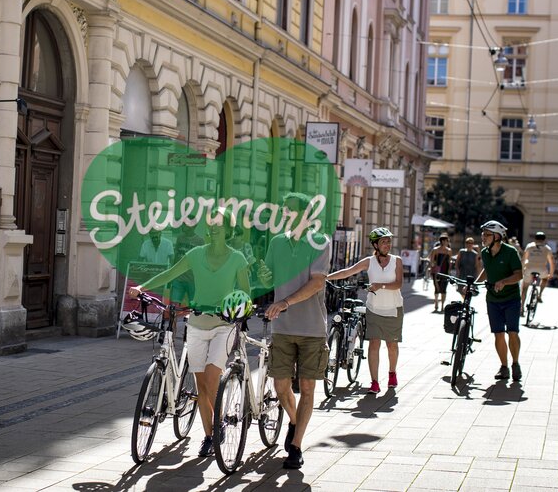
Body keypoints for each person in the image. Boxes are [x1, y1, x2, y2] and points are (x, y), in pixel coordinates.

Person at [128, 208, 250, 458]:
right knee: (201, 386)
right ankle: (210, 434)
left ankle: (215, 428)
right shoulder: (196, 254)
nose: (213, 227)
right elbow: (170, 273)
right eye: (211, 223)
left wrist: (236, 309)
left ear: (227, 228)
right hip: (195, 325)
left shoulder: (237, 258)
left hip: (222, 327)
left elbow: (245, 294)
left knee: (212, 380)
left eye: (218, 224)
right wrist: (142, 286)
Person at [258, 192, 330, 470]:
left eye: (289, 210)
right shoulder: (276, 242)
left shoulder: (320, 242)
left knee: (309, 388)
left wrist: (285, 301)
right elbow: (268, 276)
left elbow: (317, 283)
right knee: (280, 385)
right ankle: (294, 420)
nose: (285, 214)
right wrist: (261, 277)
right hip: (283, 327)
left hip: (312, 328)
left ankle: (296, 447)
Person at [326, 227, 404, 394]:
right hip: (374, 309)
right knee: (374, 344)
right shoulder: (369, 261)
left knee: (392, 345)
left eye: (389, 241)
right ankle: (374, 382)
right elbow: (348, 271)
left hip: (393, 309)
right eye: (384, 241)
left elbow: (398, 284)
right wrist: (326, 277)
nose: (387, 244)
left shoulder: (396, 260)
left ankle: (392, 372)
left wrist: (380, 286)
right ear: (375, 244)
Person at [476, 220, 524, 382]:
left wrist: (504, 282)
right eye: (483, 234)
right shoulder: (484, 252)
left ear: (497, 236)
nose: (483, 237)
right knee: (498, 334)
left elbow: (519, 275)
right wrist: (474, 283)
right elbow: (487, 270)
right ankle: (504, 367)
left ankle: (515, 364)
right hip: (492, 299)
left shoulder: (510, 252)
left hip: (511, 299)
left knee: (512, 332)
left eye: (487, 235)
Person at [520, 231, 555, 313]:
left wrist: (521, 271)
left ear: (535, 238)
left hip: (529, 268)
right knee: (545, 279)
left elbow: (523, 259)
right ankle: (540, 294)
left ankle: (521, 308)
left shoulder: (529, 246)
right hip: (541, 269)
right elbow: (552, 262)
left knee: (524, 288)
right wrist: (551, 273)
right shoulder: (547, 248)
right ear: (544, 239)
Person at [170, 224, 203, 306]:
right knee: (174, 305)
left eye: (186, 224)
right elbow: (176, 255)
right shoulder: (180, 238)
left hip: (192, 279)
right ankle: (173, 319)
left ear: (193, 226)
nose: (183, 226)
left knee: (194, 306)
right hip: (178, 278)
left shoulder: (200, 241)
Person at [428, 233, 453, 312]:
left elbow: (449, 262)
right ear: (442, 241)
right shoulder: (435, 250)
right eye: (446, 240)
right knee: (436, 288)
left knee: (444, 289)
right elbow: (432, 261)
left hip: (445, 272)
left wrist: (449, 271)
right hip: (436, 272)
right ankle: (436, 303)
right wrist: (432, 268)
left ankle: (442, 305)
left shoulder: (449, 251)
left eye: (447, 241)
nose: (447, 242)